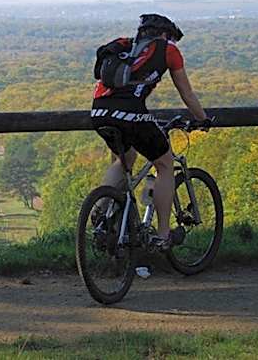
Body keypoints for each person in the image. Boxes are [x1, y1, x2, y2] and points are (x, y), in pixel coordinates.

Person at [90, 14, 210, 250]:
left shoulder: (123, 45)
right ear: (166, 35)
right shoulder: (169, 51)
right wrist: (202, 119)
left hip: (99, 112)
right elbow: (187, 94)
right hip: (131, 114)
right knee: (165, 165)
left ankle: (100, 211)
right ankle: (163, 235)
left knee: (126, 158)